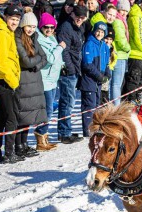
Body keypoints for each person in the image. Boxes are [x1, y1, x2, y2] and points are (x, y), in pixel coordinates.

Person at [0, 5, 23, 164]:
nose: (15, 22)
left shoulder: (7, 32)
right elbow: (2, 62)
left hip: (5, 79)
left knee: (2, 117)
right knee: (11, 117)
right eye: (12, 19)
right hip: (4, 80)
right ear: (5, 17)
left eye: (17, 20)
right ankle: (8, 152)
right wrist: (13, 81)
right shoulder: (2, 33)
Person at [14, 9, 48, 158]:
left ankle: (25, 143)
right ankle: (18, 145)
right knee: (21, 116)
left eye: (34, 27)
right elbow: (25, 61)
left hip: (34, 81)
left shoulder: (34, 38)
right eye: (29, 26)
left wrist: (36, 65)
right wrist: (35, 63)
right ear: (23, 26)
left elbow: (45, 57)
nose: (31, 30)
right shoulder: (17, 39)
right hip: (23, 81)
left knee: (29, 117)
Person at [56, 5, 88, 144]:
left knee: (70, 101)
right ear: (72, 14)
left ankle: (65, 130)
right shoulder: (66, 27)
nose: (80, 20)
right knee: (67, 102)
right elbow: (65, 51)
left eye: (82, 17)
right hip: (69, 70)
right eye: (78, 17)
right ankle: (64, 133)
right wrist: (71, 69)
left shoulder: (79, 27)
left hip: (75, 67)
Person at [36, 12, 65, 151]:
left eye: (52, 27)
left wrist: (63, 64)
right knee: (47, 111)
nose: (49, 30)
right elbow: (50, 59)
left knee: (50, 110)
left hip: (53, 80)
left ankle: (44, 137)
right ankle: (40, 137)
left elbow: (57, 59)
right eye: (46, 27)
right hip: (45, 80)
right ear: (41, 27)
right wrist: (60, 47)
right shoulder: (40, 40)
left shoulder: (52, 38)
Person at [79, 21, 111, 137]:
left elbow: (107, 63)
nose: (99, 33)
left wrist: (108, 73)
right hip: (89, 80)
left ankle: (94, 127)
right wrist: (99, 76)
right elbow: (87, 64)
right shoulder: (89, 44)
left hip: (98, 81)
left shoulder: (104, 46)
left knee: (97, 104)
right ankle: (88, 129)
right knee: (89, 105)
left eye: (102, 32)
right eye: (98, 31)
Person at [111, 0, 131, 105]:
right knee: (116, 84)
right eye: (122, 10)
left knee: (116, 83)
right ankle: (116, 106)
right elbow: (120, 38)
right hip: (120, 54)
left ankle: (116, 105)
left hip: (121, 55)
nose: (123, 13)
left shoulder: (122, 20)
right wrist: (128, 48)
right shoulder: (118, 21)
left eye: (126, 11)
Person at [100, 24, 116, 105]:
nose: (108, 41)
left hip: (107, 75)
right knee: (102, 95)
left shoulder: (112, 49)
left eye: (110, 39)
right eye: (106, 38)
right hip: (101, 75)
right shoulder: (101, 48)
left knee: (105, 94)